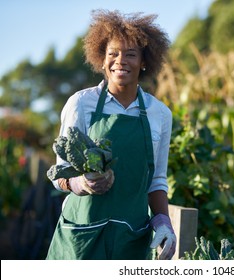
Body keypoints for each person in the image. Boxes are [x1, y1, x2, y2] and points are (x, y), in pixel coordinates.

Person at [46, 9, 176, 260]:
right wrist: (81, 183)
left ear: (144, 61)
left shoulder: (159, 114)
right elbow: (59, 175)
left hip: (131, 238)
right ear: (102, 60)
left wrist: (163, 222)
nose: (120, 61)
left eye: (130, 54)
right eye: (113, 54)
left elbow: (156, 180)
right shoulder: (81, 104)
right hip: (82, 236)